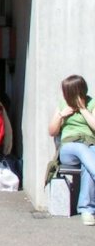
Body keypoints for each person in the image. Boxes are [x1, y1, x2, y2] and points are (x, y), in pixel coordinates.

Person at [48, 74, 95, 225]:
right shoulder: (63, 105)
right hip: (69, 148)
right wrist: (62, 115)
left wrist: (83, 109)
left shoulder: (92, 103)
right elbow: (52, 132)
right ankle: (86, 209)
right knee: (83, 150)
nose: (64, 94)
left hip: (90, 145)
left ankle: (87, 211)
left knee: (88, 165)